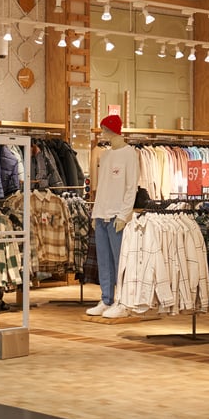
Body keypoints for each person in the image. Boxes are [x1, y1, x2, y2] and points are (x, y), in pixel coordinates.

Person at [86, 113, 138, 319]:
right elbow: (101, 187)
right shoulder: (106, 156)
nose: (103, 133)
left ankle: (123, 301)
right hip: (101, 215)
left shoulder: (130, 154)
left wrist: (124, 215)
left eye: (105, 129)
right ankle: (106, 299)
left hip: (117, 216)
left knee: (120, 261)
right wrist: (95, 213)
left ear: (113, 130)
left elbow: (131, 187)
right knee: (104, 261)